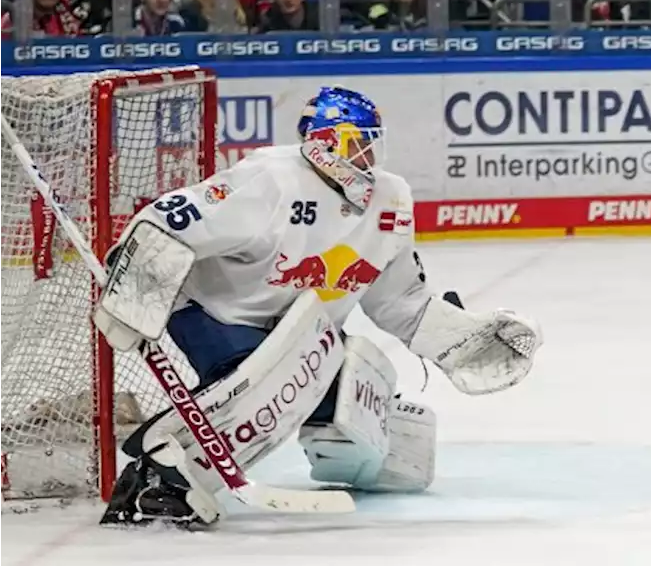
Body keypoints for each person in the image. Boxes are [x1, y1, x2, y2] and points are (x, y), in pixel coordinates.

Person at [94, 86, 543, 528]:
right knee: (257, 390)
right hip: (217, 311)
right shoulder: (270, 179)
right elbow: (167, 220)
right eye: (359, 144)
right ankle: (154, 482)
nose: (370, 158)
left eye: (373, 145)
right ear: (326, 143)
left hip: (298, 332)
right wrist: (132, 292)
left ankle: (339, 451)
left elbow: (400, 301)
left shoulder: (390, 200)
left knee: (349, 400)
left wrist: (460, 338)